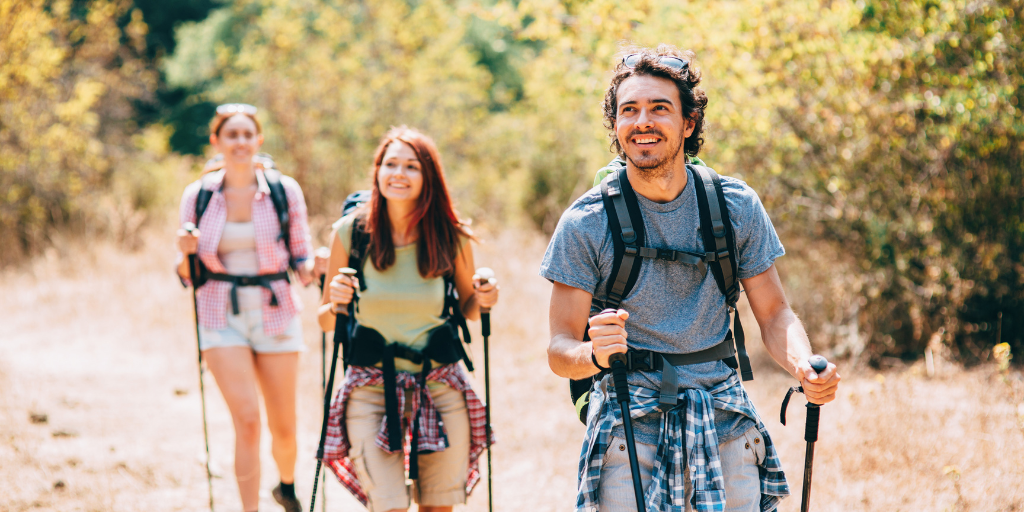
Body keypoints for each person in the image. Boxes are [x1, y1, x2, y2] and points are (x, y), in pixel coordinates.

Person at [541, 45, 842, 511]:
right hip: (628, 424)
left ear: (688, 123)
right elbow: (560, 351)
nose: (643, 121)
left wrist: (803, 365)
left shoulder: (735, 206)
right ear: (616, 127)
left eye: (660, 108)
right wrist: (594, 353)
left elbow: (775, 313)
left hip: (724, 417)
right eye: (629, 110)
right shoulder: (587, 221)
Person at [317, 126, 499, 512]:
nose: (398, 174)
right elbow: (325, 322)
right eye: (390, 164)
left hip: (439, 383)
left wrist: (484, 297)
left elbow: (468, 305)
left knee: (438, 507)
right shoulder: (351, 233)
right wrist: (335, 303)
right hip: (369, 387)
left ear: (428, 176)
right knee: (389, 505)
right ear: (377, 171)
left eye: (411, 166)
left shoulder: (450, 235)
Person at [176, 103, 315, 512]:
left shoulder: (283, 190)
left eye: (247, 135)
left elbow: (301, 257)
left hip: (276, 313)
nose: (240, 142)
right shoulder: (199, 195)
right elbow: (188, 274)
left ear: (258, 141)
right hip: (220, 314)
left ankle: (285, 486)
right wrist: (184, 252)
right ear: (216, 141)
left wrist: (320, 267)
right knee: (248, 422)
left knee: (283, 429)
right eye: (231, 135)